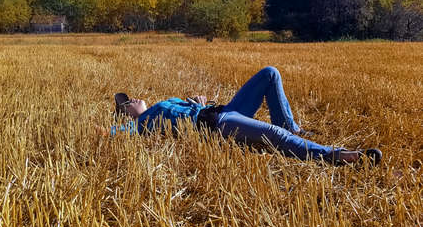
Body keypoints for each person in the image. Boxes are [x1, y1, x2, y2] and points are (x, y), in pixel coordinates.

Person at [109, 66, 382, 166]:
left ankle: (294, 132)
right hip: (217, 126)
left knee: (269, 73)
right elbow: (112, 135)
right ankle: (335, 155)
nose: (134, 99)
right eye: (130, 103)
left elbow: (196, 106)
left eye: (131, 98)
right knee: (274, 136)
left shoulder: (165, 104)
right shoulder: (144, 124)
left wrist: (199, 100)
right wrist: (130, 120)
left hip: (222, 111)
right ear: (130, 113)